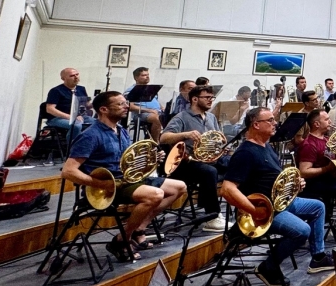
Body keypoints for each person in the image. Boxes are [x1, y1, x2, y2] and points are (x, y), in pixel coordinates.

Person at [60, 91, 186, 261]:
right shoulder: (90, 135)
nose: (126, 106)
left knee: (179, 187)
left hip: (127, 179)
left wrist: (151, 158)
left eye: (125, 103)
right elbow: (68, 171)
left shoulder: (121, 130)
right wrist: (100, 184)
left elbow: (128, 161)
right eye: (120, 104)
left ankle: (139, 229)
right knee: (155, 195)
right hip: (108, 185)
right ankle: (123, 239)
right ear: (103, 109)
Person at [221, 106, 332, 286]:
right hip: (265, 211)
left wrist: (295, 185)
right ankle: (268, 267)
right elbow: (227, 189)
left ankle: (318, 257)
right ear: (256, 125)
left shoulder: (266, 147)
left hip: (280, 203)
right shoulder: (245, 153)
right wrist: (254, 210)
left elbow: (274, 180)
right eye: (270, 120)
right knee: (302, 231)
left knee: (318, 207)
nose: (275, 124)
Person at [159, 85, 226, 233]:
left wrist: (221, 146)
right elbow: (163, 138)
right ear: (195, 99)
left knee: (235, 164)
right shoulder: (181, 117)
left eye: (212, 98)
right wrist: (186, 134)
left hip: (207, 159)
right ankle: (211, 216)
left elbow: (216, 139)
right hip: (186, 163)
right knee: (209, 172)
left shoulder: (211, 117)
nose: (211, 101)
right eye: (207, 98)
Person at [295, 109, 336, 211]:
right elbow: (304, 172)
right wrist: (327, 169)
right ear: (317, 124)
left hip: (328, 178)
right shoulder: (309, 144)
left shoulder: (327, 140)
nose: (330, 122)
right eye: (327, 119)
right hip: (314, 183)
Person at [46, 67, 93, 133]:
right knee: (77, 126)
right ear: (63, 79)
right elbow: (50, 109)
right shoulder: (56, 91)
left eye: (77, 74)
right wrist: (71, 117)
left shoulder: (81, 89)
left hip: (79, 116)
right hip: (58, 118)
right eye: (72, 76)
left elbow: (87, 105)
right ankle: (74, 143)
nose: (76, 77)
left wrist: (98, 102)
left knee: (99, 124)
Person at [123, 67, 163, 141]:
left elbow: (156, 101)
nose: (147, 77)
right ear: (136, 78)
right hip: (140, 114)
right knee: (156, 118)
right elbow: (130, 106)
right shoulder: (131, 90)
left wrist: (163, 108)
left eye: (148, 75)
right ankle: (155, 143)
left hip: (156, 112)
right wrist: (149, 111)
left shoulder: (151, 89)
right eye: (144, 75)